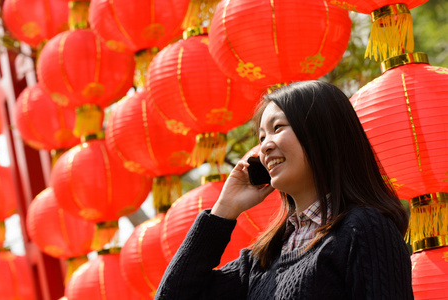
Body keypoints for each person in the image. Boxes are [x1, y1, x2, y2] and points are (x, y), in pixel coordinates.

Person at [154, 81, 413, 300]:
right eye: (261, 137)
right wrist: (224, 211)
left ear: (321, 132)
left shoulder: (364, 228)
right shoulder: (263, 259)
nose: (264, 147)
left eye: (277, 128)